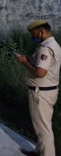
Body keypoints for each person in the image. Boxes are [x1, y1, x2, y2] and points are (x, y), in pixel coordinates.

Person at [16, 20, 61, 156]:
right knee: (42, 126)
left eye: (33, 34)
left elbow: (40, 73)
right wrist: (29, 59)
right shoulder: (54, 45)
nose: (32, 37)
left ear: (41, 32)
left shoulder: (45, 48)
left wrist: (24, 62)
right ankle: (39, 151)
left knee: (44, 129)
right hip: (48, 90)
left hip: (41, 92)